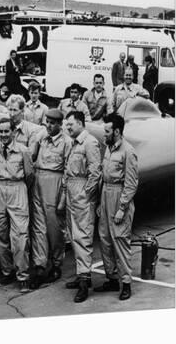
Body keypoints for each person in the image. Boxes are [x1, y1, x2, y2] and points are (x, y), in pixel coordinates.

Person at [95, 113, 138, 301]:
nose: (104, 134)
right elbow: (103, 177)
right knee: (104, 239)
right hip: (106, 195)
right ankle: (112, 278)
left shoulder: (128, 151)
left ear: (117, 131)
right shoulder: (109, 148)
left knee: (120, 240)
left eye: (107, 131)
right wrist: (99, 202)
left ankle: (126, 283)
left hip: (119, 196)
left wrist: (122, 208)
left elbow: (131, 183)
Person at [0, 118, 34, 293]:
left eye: (6, 131)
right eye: (0, 131)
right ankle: (7, 272)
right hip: (0, 189)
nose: (3, 135)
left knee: (20, 235)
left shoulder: (23, 151)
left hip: (18, 188)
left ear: (13, 132)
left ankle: (23, 275)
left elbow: (30, 175)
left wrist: (20, 189)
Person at [29, 109, 72, 289]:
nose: (48, 125)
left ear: (60, 124)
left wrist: (63, 197)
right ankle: (39, 266)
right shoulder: (41, 137)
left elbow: (68, 172)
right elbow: (31, 156)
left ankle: (56, 263)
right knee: (38, 225)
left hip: (55, 182)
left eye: (53, 123)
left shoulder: (67, 142)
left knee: (55, 226)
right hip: (38, 179)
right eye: (47, 121)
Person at [63, 111, 102, 303]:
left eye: (70, 124)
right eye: (66, 124)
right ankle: (81, 276)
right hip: (72, 191)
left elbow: (95, 173)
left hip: (82, 193)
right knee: (73, 236)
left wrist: (86, 195)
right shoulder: (73, 143)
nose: (67, 127)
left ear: (80, 123)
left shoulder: (90, 142)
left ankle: (85, 282)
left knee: (83, 237)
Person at [6, 94, 46, 160]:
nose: (12, 114)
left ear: (23, 111)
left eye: (15, 110)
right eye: (10, 110)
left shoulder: (31, 130)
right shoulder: (4, 127)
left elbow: (31, 155)